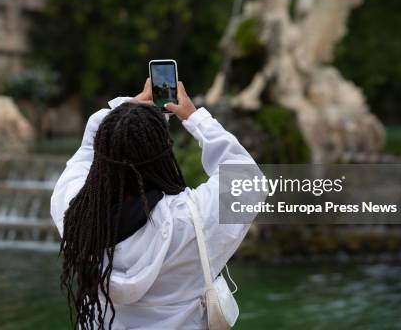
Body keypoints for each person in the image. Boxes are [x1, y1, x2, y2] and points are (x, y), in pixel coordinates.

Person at [50, 79, 257, 329]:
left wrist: (121, 114)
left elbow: (84, 155)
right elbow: (248, 180)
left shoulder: (78, 215)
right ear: (164, 151)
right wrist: (194, 117)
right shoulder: (191, 220)